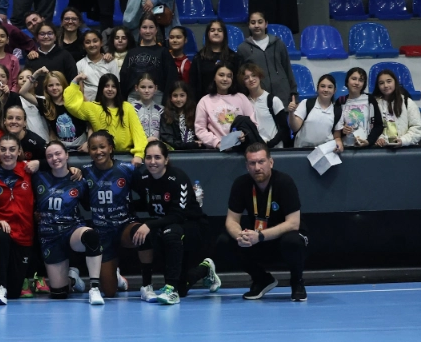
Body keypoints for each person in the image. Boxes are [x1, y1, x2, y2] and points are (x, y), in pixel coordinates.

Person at [129, 141, 217, 305]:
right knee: (183, 287)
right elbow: (146, 202)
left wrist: (149, 225)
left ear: (166, 160)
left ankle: (171, 289)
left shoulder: (178, 178)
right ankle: (205, 269)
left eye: (157, 157)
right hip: (166, 224)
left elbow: (178, 215)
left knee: (170, 232)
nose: (152, 162)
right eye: (148, 157)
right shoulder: (144, 178)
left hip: (192, 225)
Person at [221, 143, 308, 301]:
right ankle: (261, 279)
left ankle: (297, 282)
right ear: (247, 166)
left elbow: (293, 223)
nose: (257, 167)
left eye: (261, 162)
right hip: (257, 239)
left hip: (282, 239)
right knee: (225, 241)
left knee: (293, 240)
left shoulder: (284, 182)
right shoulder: (241, 184)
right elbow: (231, 220)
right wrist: (240, 236)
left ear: (271, 162)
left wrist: (260, 236)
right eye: (252, 163)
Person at [33, 142, 106, 305]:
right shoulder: (39, 178)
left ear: (67, 155)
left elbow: (89, 206)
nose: (54, 158)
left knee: (91, 236)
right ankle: (72, 279)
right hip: (49, 236)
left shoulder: (78, 180)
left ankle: (94, 288)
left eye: (58, 154)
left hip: (72, 230)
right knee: (59, 294)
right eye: (50, 156)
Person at [0, 134, 40, 305]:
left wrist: (74, 169)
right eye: (3, 149)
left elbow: (56, 163)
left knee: (14, 292)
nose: (7, 153)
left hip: (24, 233)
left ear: (19, 151)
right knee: (0, 235)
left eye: (12, 149)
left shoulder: (29, 170)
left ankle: (3, 285)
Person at [79, 131, 134, 298]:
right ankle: (114, 274)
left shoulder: (126, 169)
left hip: (124, 227)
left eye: (102, 147)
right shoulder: (85, 172)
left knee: (144, 236)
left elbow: (145, 190)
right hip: (102, 232)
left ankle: (148, 285)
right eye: (93, 148)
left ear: (110, 148)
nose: (98, 151)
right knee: (109, 292)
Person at [64, 73, 147, 164]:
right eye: (106, 86)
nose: (110, 89)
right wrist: (76, 80)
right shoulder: (93, 108)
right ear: (101, 88)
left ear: (117, 89)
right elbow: (70, 104)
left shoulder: (127, 107)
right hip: (102, 157)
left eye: (113, 86)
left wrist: (139, 154)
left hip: (126, 156)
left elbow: (138, 132)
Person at [236, 10, 297, 105]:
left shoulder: (279, 44)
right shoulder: (243, 48)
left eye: (260, 22)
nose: (256, 25)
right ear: (249, 25)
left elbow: (287, 69)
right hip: (258, 99)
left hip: (282, 96)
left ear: (266, 24)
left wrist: (293, 93)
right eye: (253, 22)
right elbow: (242, 77)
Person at [195, 65, 258, 150]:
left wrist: (245, 135)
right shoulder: (204, 101)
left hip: (242, 150)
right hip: (216, 152)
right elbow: (200, 129)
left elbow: (253, 123)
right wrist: (217, 143)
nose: (225, 79)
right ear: (214, 77)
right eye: (221, 75)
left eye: (229, 76)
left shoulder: (241, 98)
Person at [23, 68, 88, 151]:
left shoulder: (74, 99)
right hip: (62, 148)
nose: (54, 88)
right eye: (50, 85)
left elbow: (90, 122)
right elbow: (23, 92)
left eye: (58, 84)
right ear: (46, 88)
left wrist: (89, 142)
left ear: (63, 85)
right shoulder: (45, 104)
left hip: (82, 145)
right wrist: (36, 74)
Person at [119, 15, 176, 101]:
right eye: (144, 27)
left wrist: (166, 101)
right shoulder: (131, 53)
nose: (148, 31)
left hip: (157, 96)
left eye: (151, 27)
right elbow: (124, 78)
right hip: (134, 96)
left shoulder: (163, 52)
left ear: (156, 29)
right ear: (139, 29)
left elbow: (171, 79)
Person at [240, 63, 291, 148]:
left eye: (254, 75)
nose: (251, 79)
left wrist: (270, 144)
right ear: (243, 82)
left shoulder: (273, 100)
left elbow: (284, 128)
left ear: (259, 76)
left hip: (274, 149)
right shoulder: (244, 102)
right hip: (254, 150)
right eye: (246, 78)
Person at [372, 69, 421, 147]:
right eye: (381, 83)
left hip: (404, 149)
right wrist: (379, 138)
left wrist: (403, 140)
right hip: (381, 149)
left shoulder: (408, 102)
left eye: (389, 81)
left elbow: (417, 128)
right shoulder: (374, 104)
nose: (385, 85)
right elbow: (371, 127)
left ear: (395, 82)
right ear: (378, 86)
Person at [190, 19, 238, 101]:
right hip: (204, 101)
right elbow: (193, 85)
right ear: (207, 34)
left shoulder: (233, 57)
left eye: (219, 30)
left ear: (224, 34)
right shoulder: (198, 58)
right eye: (212, 30)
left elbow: (237, 83)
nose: (216, 33)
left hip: (230, 101)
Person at [334, 67, 382, 149]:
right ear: (347, 81)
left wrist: (369, 141)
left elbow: (379, 125)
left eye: (361, 80)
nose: (357, 83)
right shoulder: (341, 101)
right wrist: (343, 131)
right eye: (354, 79)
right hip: (346, 147)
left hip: (367, 147)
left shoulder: (370, 99)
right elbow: (336, 128)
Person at [290, 74, 339, 149]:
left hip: (325, 151)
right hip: (302, 150)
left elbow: (337, 136)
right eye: (323, 86)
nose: (326, 90)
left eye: (330, 87)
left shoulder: (337, 110)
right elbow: (295, 127)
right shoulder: (306, 103)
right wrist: (291, 113)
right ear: (318, 88)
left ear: (334, 90)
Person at [24, 22, 78, 87]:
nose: (46, 37)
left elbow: (73, 80)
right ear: (37, 38)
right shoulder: (32, 57)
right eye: (42, 34)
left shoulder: (65, 55)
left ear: (55, 37)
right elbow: (26, 81)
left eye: (50, 33)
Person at [76, 29, 118, 102]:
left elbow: (116, 85)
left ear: (101, 43)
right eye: (87, 42)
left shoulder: (110, 62)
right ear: (83, 46)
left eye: (95, 41)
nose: (92, 45)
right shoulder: (79, 64)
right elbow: (80, 89)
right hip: (88, 103)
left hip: (108, 102)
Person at [160, 81, 200, 150]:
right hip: (175, 152)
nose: (178, 99)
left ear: (187, 96)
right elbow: (168, 139)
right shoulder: (166, 115)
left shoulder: (195, 113)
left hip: (195, 151)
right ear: (170, 97)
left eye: (182, 95)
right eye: (175, 96)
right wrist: (188, 145)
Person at [129, 73, 164, 142]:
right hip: (138, 146)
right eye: (143, 87)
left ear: (155, 88)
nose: (146, 91)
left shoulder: (161, 110)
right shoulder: (131, 108)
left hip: (157, 146)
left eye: (150, 87)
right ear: (136, 88)